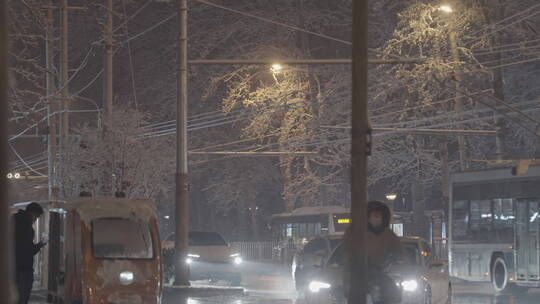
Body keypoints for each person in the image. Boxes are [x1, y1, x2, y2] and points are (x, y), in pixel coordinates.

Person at [343, 200, 404, 304]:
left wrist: (396, 260)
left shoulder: (388, 235)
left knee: (392, 293)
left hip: (380, 274)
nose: (376, 218)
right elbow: (348, 253)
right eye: (374, 215)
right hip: (359, 274)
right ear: (367, 216)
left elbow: (400, 254)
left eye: (378, 215)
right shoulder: (355, 233)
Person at [13, 202, 47, 304]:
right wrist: (40, 244)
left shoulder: (12, 220)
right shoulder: (26, 226)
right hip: (23, 268)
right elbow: (27, 250)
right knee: (22, 297)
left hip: (11, 267)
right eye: (36, 217)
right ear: (32, 213)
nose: (35, 220)